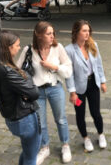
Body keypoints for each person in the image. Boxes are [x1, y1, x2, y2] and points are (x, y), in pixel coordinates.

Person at [16, 21, 73, 165]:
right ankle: (44, 147)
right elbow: (18, 70)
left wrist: (53, 66)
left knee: (61, 119)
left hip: (55, 88)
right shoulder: (28, 50)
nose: (52, 36)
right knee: (40, 122)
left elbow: (68, 70)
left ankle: (65, 145)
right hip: (36, 92)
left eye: (53, 33)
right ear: (38, 34)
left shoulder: (58, 48)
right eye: (48, 33)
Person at [0, 30, 41, 165]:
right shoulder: (7, 71)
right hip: (24, 118)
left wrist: (24, 83)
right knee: (31, 155)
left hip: (16, 116)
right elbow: (34, 93)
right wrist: (26, 76)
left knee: (28, 151)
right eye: (17, 45)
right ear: (8, 47)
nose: (19, 48)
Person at [65, 20, 107, 152]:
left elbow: (99, 65)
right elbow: (69, 73)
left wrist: (102, 81)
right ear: (76, 32)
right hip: (78, 89)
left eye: (88, 30)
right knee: (80, 114)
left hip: (93, 84)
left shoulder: (93, 45)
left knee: (96, 112)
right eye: (84, 31)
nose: (87, 33)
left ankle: (101, 134)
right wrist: (72, 92)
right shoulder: (69, 50)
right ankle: (85, 138)